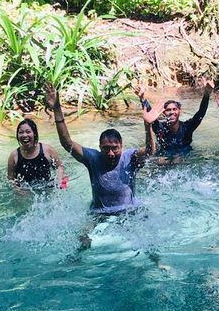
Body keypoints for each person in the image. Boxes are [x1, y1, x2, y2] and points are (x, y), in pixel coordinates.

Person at [44, 84, 154, 215]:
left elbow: (150, 150)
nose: (111, 153)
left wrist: (148, 126)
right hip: (99, 213)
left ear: (121, 146)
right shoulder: (93, 158)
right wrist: (57, 109)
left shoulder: (130, 158)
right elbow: (67, 143)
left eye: (115, 149)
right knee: (82, 236)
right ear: (99, 147)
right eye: (106, 149)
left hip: (129, 211)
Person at [135, 77, 214, 163]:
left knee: (177, 159)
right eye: (168, 110)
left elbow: (200, 113)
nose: (172, 112)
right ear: (164, 113)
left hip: (185, 155)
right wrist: (142, 98)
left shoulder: (187, 127)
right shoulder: (160, 128)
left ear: (180, 111)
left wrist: (206, 94)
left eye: (174, 109)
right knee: (158, 161)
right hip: (164, 157)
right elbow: (150, 116)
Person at [7, 118, 65, 188]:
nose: (24, 135)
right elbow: (10, 179)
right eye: (21, 132)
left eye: (28, 132)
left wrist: (59, 180)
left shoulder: (47, 150)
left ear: (34, 134)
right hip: (25, 191)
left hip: (47, 188)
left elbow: (59, 167)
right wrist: (18, 190)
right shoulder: (14, 155)